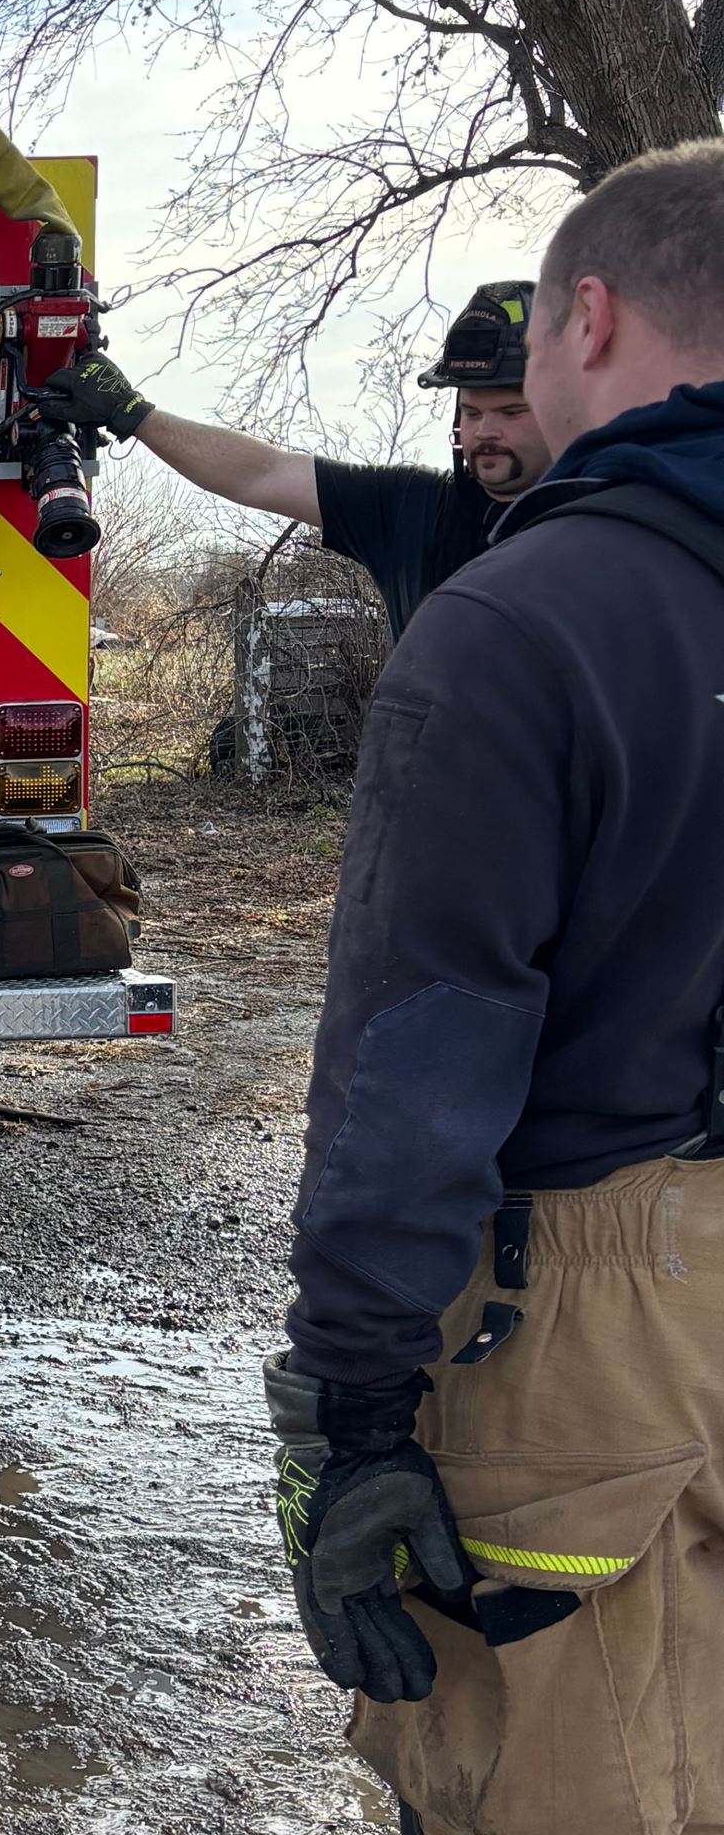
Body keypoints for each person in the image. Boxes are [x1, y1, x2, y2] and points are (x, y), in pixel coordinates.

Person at [261, 140, 724, 1835]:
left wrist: (355, 1406)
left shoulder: (527, 622)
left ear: (587, 318)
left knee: (560, 1769)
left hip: (585, 1309)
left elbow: (419, 1063)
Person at [35, 285, 550, 638]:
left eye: (511, 410)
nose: (486, 431)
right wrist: (134, 414)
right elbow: (261, 473)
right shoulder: (413, 510)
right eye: (472, 410)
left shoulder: (613, 519)